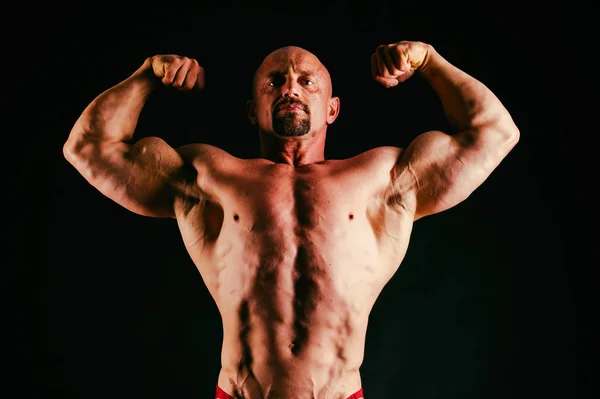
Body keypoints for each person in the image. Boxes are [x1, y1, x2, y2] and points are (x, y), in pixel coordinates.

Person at [62, 40, 519, 399]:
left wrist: (430, 61)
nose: (290, 89)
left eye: (307, 81)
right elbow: (89, 147)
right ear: (251, 109)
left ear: (333, 109)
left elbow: (494, 133)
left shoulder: (385, 177)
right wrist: (148, 75)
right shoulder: (209, 175)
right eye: (274, 81)